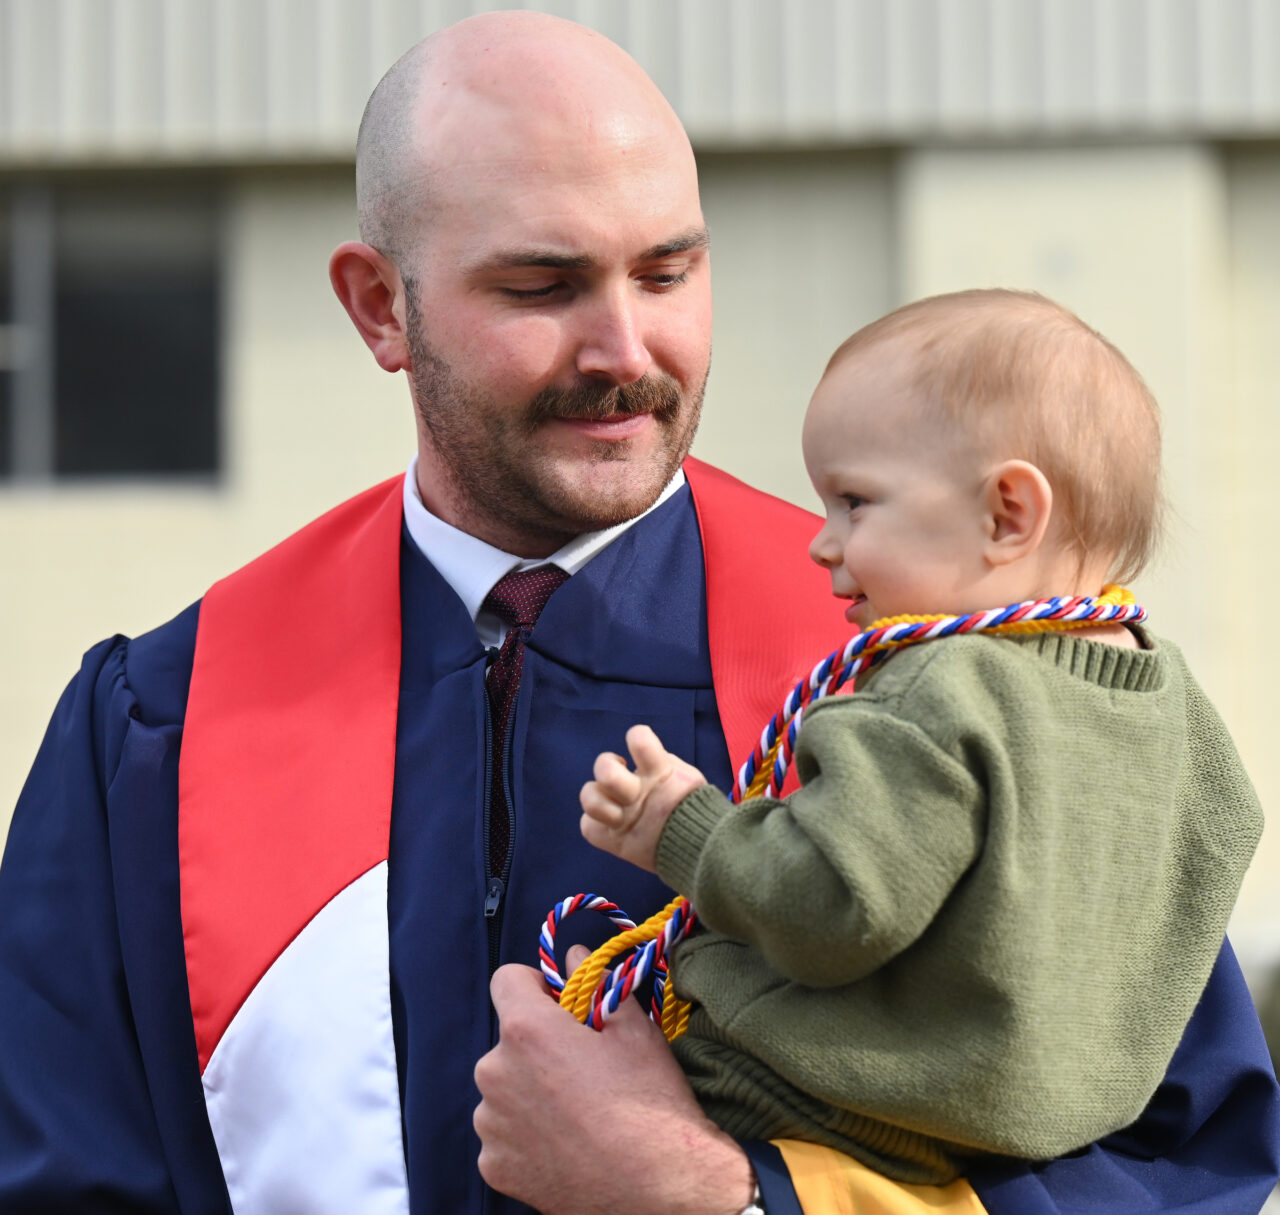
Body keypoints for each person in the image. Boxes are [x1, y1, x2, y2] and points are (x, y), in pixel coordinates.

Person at [0, 11, 1275, 1215]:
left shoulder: (961, 676)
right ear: (382, 307)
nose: (626, 350)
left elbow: (1177, 1172)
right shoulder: (165, 724)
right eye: (541, 286)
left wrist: (725, 1196)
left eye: (666, 273)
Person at [577, 288, 1262, 1184]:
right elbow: (1226, 831)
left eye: (855, 502)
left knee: (572, 1104)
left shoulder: (939, 689)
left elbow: (831, 908)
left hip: (823, 1098)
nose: (822, 543)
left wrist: (684, 828)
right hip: (1049, 1134)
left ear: (1008, 513)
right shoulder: (1175, 701)